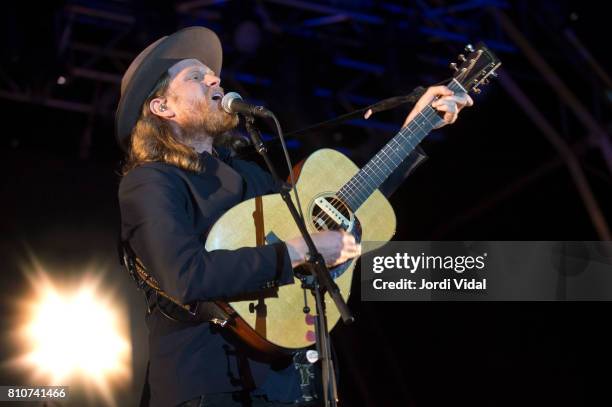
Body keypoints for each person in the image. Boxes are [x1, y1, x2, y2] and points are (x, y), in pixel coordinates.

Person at [116, 26, 472, 407]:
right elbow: (186, 276)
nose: (215, 77)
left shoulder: (250, 173)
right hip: (205, 385)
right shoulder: (150, 181)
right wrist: (296, 252)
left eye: (212, 72)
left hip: (287, 387)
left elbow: (341, 210)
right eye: (195, 76)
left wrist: (414, 131)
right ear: (162, 107)